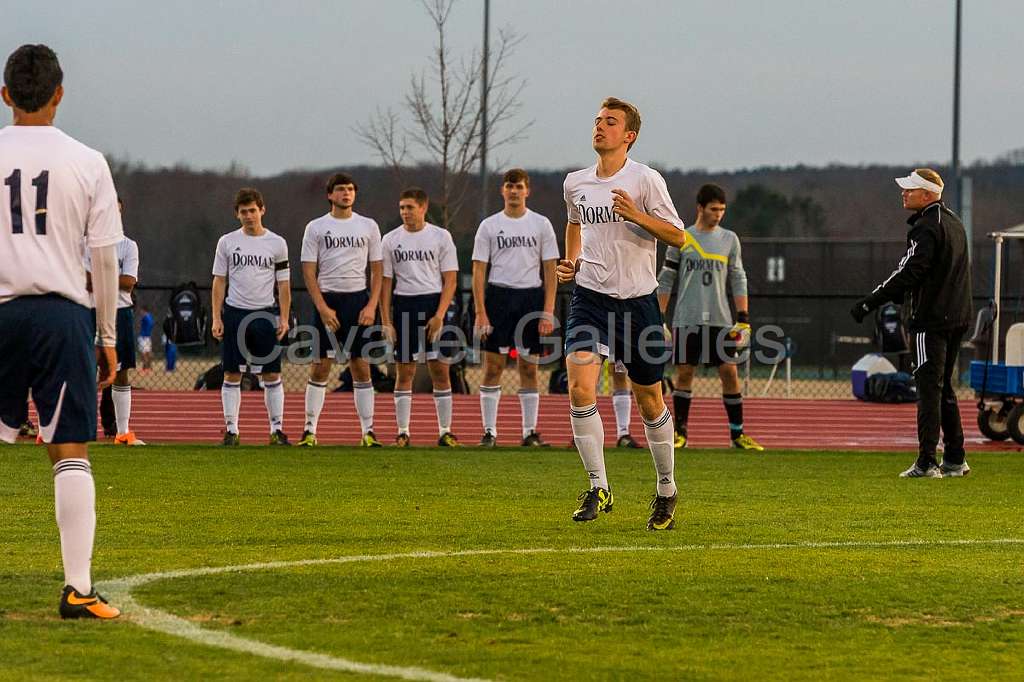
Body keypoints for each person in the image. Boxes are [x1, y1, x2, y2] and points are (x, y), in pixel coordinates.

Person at [0, 44, 122, 618]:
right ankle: (77, 587)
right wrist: (106, 334)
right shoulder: (89, 161)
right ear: (59, 93)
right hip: (61, 315)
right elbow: (104, 259)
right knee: (68, 450)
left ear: (4, 96)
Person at [557, 96, 694, 530]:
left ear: (629, 135)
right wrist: (570, 261)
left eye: (610, 122)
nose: (600, 127)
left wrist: (637, 215)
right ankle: (599, 485)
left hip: (638, 304)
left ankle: (667, 490)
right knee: (580, 387)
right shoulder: (575, 182)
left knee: (649, 399)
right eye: (597, 120)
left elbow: (679, 237)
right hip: (590, 299)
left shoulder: (645, 179)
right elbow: (575, 222)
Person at [851, 168, 972, 478]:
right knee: (944, 388)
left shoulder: (926, 228)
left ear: (928, 195)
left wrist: (871, 300)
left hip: (930, 320)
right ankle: (956, 458)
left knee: (928, 389)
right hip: (957, 317)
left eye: (911, 189)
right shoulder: (955, 223)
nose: (904, 193)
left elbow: (909, 271)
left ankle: (927, 462)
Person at [657, 183, 763, 451]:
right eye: (714, 209)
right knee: (685, 373)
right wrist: (659, 316)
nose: (718, 214)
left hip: (720, 318)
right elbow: (666, 278)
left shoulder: (729, 239)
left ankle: (737, 434)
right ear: (700, 208)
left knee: (729, 372)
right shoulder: (681, 237)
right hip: (687, 317)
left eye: (722, 210)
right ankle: (680, 433)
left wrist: (743, 317)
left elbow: (739, 278)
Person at [471, 168, 558, 447]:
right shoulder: (489, 225)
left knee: (529, 368)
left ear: (527, 190)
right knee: (493, 366)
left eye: (519, 186)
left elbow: (550, 269)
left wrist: (547, 310)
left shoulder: (541, 224)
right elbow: (478, 270)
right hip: (498, 298)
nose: (514, 191)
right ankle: (489, 432)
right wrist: (481, 311)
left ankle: (529, 432)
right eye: (509, 186)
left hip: (530, 299)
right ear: (502, 190)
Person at [298, 172, 383, 447]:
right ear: (330, 195)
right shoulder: (316, 227)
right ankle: (309, 430)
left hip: (358, 301)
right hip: (328, 301)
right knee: (320, 366)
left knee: (361, 367)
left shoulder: (368, 226)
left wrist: (371, 305)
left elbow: (378, 269)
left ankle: (368, 432)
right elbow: (309, 270)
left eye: (350, 189)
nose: (346, 194)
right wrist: (322, 307)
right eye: (340, 189)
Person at [380, 187, 461, 447]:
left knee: (440, 370)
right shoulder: (390, 240)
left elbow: (450, 279)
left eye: (410, 207)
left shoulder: (440, 237)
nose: (405, 212)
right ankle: (403, 432)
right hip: (405, 304)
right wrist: (386, 320)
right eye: (402, 207)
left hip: (433, 302)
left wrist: (439, 315)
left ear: (423, 208)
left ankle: (445, 431)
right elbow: (385, 284)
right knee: (404, 372)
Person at [211, 188, 291, 446]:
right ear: (237, 214)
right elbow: (219, 281)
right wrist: (216, 317)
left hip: (265, 314)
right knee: (232, 374)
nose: (248, 216)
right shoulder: (226, 242)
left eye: (252, 210)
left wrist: (284, 318)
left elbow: (284, 285)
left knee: (271, 375)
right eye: (243, 212)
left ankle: (276, 429)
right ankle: (232, 430)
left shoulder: (277, 243)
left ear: (262, 210)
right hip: (235, 313)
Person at [86, 198, 144, 445]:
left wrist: (99, 279)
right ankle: (76, 428)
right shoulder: (84, 244)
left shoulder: (128, 246)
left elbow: (130, 281)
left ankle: (122, 432)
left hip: (120, 312)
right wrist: (113, 279)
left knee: (121, 372)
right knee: (81, 369)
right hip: (89, 310)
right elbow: (84, 281)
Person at [138, 305, 154, 371]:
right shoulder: (150, 316)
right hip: (147, 336)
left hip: (144, 337)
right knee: (148, 352)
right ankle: (149, 366)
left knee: (143, 352)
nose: (140, 312)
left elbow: (149, 325)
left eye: (141, 311)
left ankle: (145, 367)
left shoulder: (145, 317)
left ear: (144, 310)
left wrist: (145, 333)